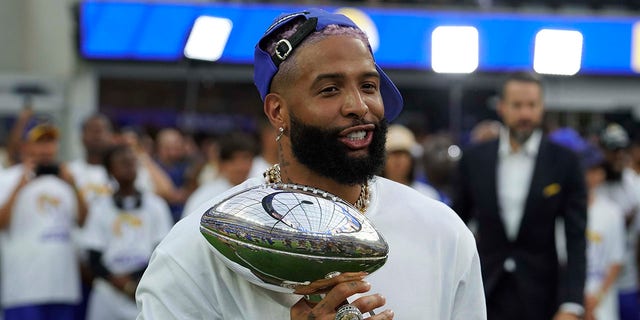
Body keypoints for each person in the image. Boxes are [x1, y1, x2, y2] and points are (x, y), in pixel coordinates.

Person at [136, 8, 486, 320]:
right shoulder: (198, 248)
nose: (358, 106)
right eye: (330, 89)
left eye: (368, 85)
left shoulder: (442, 232)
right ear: (278, 111)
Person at [453, 71, 587, 320]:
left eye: (532, 105)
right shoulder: (474, 159)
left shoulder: (565, 162)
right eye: (517, 105)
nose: (525, 114)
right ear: (501, 107)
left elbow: (576, 238)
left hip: (543, 296)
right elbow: (456, 228)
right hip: (483, 290)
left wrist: (572, 304)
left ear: (542, 108)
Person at [0, 117, 88, 320]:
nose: (46, 148)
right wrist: (19, 187)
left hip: (63, 288)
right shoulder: (7, 178)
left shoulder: (67, 178)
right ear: (25, 145)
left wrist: (73, 186)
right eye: (39, 142)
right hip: (22, 290)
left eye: (50, 142)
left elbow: (83, 221)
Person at [81, 144, 173, 320]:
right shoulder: (99, 207)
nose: (128, 165)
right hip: (107, 292)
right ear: (110, 171)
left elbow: (162, 250)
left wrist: (132, 283)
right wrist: (119, 283)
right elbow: (93, 256)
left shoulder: (156, 205)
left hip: (145, 287)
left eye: (131, 162)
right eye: (122, 162)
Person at [550, 128, 625, 320]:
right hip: (564, 302)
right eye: (585, 171)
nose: (590, 177)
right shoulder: (557, 210)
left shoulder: (612, 212)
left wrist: (595, 297)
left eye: (595, 170)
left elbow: (616, 261)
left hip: (601, 303)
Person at [595, 123, 640, 320]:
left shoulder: (633, 183)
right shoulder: (594, 183)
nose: (619, 155)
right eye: (613, 150)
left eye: (623, 149)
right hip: (595, 282)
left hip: (626, 280)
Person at [182, 131, 257, 219]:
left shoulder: (260, 190)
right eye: (232, 160)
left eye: (245, 158)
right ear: (221, 164)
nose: (240, 167)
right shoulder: (205, 196)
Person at [381, 124, 440, 200]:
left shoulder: (427, 195)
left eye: (403, 154)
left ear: (412, 160)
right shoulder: (372, 196)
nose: (398, 160)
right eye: (393, 153)